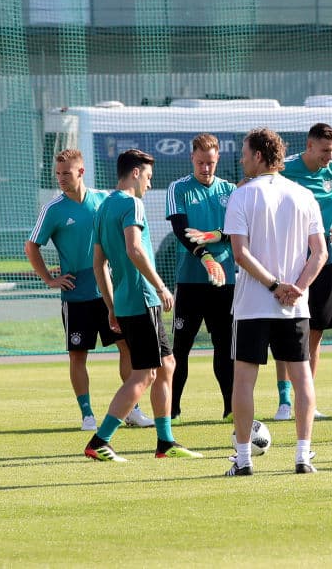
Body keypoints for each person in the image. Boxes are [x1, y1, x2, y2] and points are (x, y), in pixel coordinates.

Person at [85, 149, 201, 462]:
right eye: (148, 177)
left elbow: (98, 265)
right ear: (135, 173)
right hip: (142, 298)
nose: (149, 184)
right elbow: (134, 249)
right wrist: (161, 286)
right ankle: (100, 440)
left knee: (167, 366)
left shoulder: (104, 206)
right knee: (144, 374)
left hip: (125, 301)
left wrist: (110, 306)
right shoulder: (131, 203)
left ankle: (165, 442)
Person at [25, 149, 154, 431]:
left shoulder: (102, 200)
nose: (60, 178)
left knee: (126, 347)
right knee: (78, 354)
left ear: (81, 172)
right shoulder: (53, 209)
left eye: (66, 173)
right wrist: (49, 278)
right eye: (57, 174)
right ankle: (87, 415)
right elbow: (31, 245)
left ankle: (132, 410)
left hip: (108, 291)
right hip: (76, 296)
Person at [224, 128, 326, 475]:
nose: (241, 158)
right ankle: (302, 455)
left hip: (254, 303)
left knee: (244, 380)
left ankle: (243, 460)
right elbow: (321, 253)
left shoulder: (242, 195)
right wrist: (294, 288)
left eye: (244, 152)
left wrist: (275, 285)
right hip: (292, 305)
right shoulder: (303, 195)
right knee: (302, 377)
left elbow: (240, 253)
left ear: (258, 156)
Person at [276, 122, 332, 420]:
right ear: (309, 146)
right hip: (291, 260)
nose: (329, 157)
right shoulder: (285, 168)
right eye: (325, 151)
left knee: (315, 332)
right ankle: (285, 401)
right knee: (287, 329)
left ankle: (306, 399)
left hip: (325, 260)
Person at [165, 133, 236, 421]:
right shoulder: (179, 188)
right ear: (191, 159)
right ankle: (172, 409)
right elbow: (181, 230)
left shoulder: (230, 190)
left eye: (210, 163)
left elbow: (238, 232)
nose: (205, 168)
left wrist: (213, 236)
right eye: (200, 163)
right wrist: (205, 257)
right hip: (191, 282)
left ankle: (231, 408)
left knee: (225, 346)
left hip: (224, 282)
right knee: (180, 349)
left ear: (217, 159)